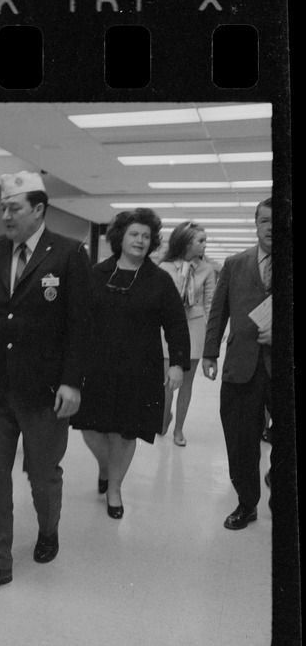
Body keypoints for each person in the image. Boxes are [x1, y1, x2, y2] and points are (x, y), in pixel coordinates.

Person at [0, 171, 92, 598]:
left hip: (45, 392)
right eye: (2, 207)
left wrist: (72, 383)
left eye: (13, 208)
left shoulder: (69, 255)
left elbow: (80, 327)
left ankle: (48, 529)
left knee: (42, 475)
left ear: (38, 210)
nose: (5, 215)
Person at [71, 208, 189, 519]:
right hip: (96, 367)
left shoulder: (159, 281)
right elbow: (78, 320)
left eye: (146, 236)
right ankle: (106, 467)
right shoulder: (96, 274)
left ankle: (114, 489)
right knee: (90, 427)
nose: (139, 240)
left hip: (139, 368)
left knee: (125, 431)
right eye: (134, 234)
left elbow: (176, 325)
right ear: (120, 237)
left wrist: (177, 364)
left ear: (152, 242)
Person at [203, 197, 272, 530]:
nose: (271, 227)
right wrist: (209, 352)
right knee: (240, 437)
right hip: (241, 363)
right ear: (256, 224)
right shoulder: (235, 263)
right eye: (264, 220)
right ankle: (247, 503)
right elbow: (219, 311)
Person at [159, 221, 216, 446]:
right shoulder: (164, 267)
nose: (204, 245)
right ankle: (164, 418)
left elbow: (210, 303)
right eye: (200, 240)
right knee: (167, 383)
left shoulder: (207, 269)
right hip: (167, 330)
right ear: (185, 242)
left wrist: (213, 333)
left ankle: (179, 430)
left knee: (186, 384)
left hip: (194, 328)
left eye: (205, 240)